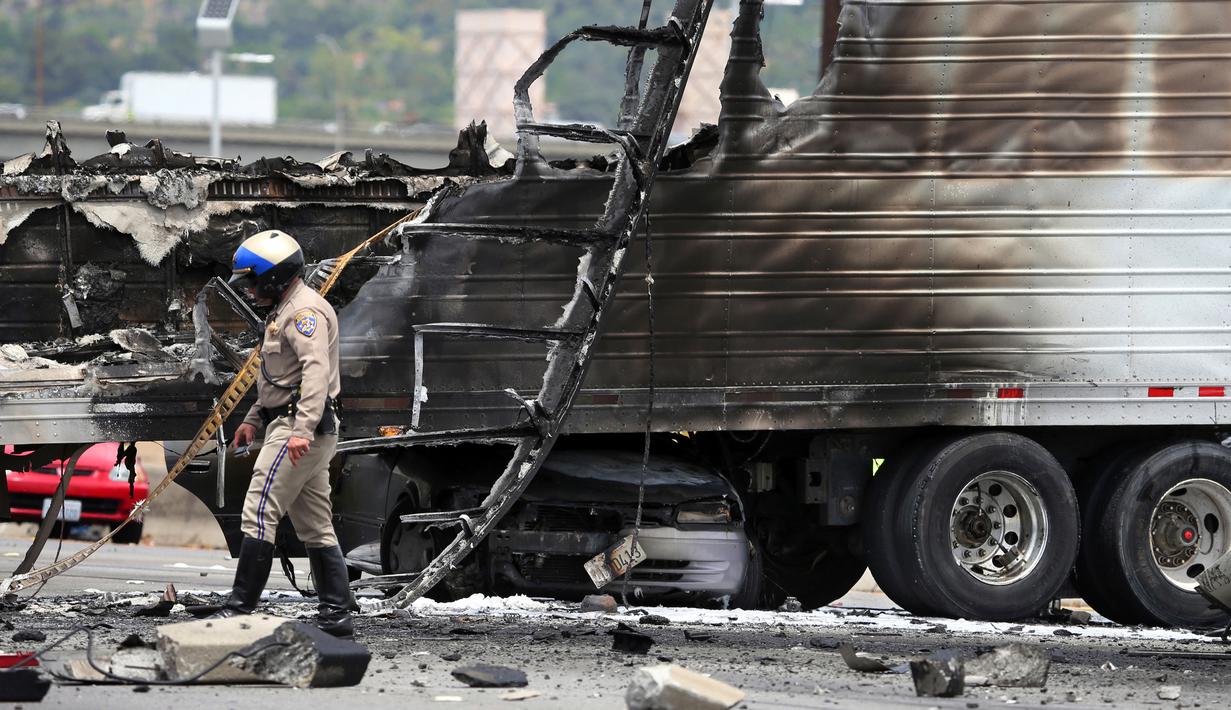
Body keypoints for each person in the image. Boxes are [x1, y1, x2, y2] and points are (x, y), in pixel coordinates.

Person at [211, 229, 354, 637]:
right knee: (314, 523)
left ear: (276, 276)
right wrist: (254, 417)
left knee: (259, 510)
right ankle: (336, 614)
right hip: (295, 423)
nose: (251, 290)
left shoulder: (304, 312)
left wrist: (301, 429)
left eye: (254, 281)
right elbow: (279, 376)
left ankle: (240, 608)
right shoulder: (285, 308)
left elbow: (315, 373)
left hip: (298, 427)